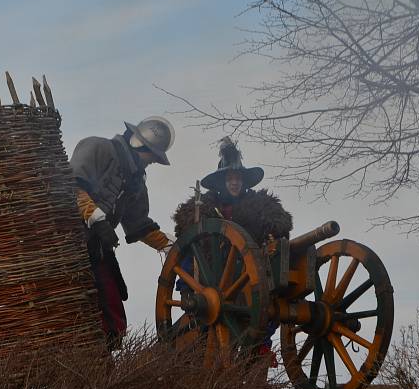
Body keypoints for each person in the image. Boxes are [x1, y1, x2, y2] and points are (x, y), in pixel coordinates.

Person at [173, 137, 292, 363]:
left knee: (269, 302)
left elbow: (281, 223)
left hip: (252, 270)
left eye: (238, 178)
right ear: (221, 183)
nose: (234, 183)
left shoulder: (260, 204)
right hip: (214, 275)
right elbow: (189, 241)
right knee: (192, 247)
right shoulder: (206, 207)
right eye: (230, 179)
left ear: (244, 181)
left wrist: (275, 228)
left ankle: (258, 348)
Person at [70, 117, 175, 350]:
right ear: (139, 145)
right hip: (69, 242)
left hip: (98, 249)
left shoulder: (135, 182)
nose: (152, 163)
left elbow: (138, 223)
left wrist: (169, 245)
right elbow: (73, 186)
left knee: (112, 308)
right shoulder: (97, 147)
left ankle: (102, 359)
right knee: (82, 307)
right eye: (152, 157)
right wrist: (95, 218)